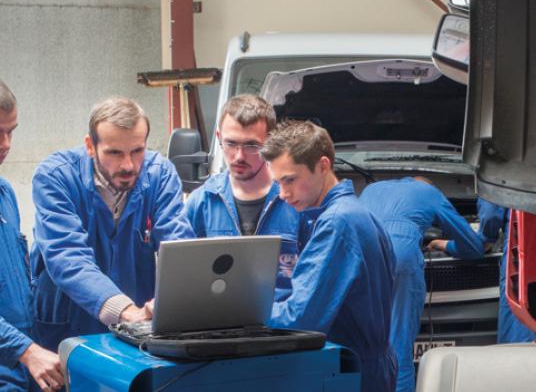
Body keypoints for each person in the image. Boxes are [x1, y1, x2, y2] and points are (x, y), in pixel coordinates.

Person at [30, 98, 193, 352]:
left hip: (136, 325)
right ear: (90, 146)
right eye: (114, 153)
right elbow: (66, 255)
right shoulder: (56, 177)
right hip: (68, 324)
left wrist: (168, 303)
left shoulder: (159, 174)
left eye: (138, 151)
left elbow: (179, 244)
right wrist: (124, 310)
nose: (128, 165)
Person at [260, 121, 397, 391]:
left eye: (290, 180)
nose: (283, 194)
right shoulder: (358, 212)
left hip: (351, 373)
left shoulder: (337, 223)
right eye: (277, 183)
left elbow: (299, 320)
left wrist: (239, 312)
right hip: (368, 368)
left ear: (323, 165)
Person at [358, 176, 483, 392]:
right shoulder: (429, 193)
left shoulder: (371, 188)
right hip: (401, 255)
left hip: (363, 258)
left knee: (368, 345)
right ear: (430, 185)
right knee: (398, 344)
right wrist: (445, 244)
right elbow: (474, 246)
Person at [185, 95, 299, 299]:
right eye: (231, 144)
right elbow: (182, 278)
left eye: (251, 146)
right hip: (219, 323)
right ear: (219, 137)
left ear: (271, 142)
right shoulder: (201, 203)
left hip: (283, 327)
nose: (239, 156)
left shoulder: (296, 201)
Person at [0, 81, 64, 391]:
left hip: (20, 374)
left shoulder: (4, 193)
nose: (5, 144)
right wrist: (25, 350)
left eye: (11, 131)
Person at [476, 199, 536, 344]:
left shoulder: (506, 176)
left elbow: (491, 213)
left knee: (519, 324)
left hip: (522, 251)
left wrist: (486, 238)